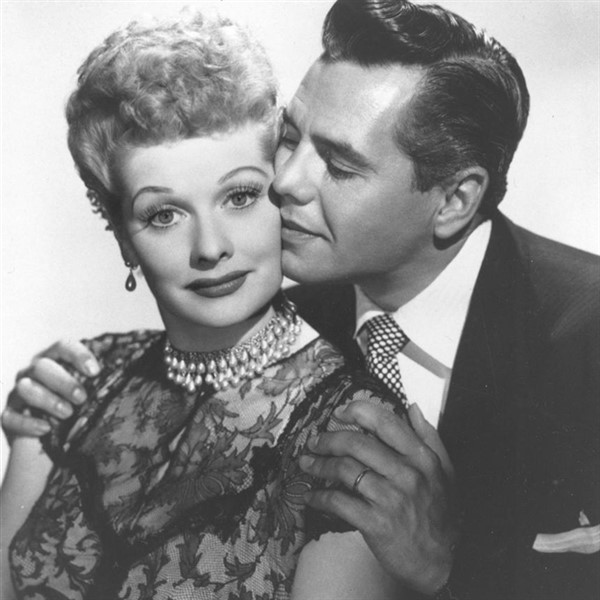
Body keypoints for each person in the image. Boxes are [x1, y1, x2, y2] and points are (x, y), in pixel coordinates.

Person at [4, 0, 599, 598]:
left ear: (454, 201)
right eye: (290, 138)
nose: (284, 182)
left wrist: (451, 566)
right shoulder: (285, 319)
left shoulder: (586, 341)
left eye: (338, 165)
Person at [0, 10, 419, 600]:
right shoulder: (75, 387)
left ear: (283, 194)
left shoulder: (352, 431)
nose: (210, 248)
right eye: (164, 214)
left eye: (240, 197)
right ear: (124, 239)